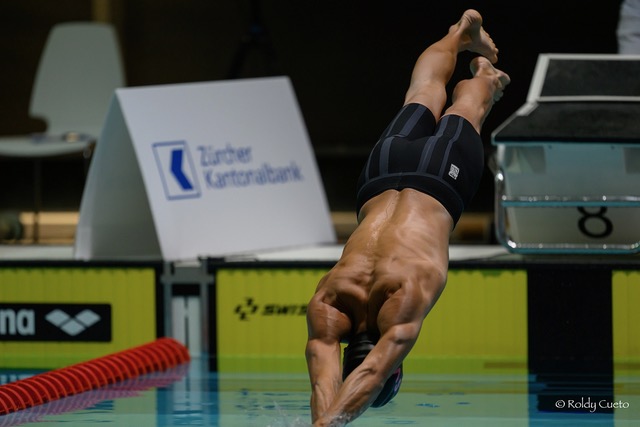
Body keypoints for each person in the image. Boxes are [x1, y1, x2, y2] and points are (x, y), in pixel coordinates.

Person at [305, 9, 510, 427]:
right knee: (423, 91)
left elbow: (373, 373)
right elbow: (323, 381)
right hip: (381, 175)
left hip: (437, 181)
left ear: (397, 369)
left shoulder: (403, 303)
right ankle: (459, 32)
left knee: (470, 105)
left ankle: (487, 76)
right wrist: (321, 422)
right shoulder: (328, 302)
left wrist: (330, 424)